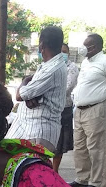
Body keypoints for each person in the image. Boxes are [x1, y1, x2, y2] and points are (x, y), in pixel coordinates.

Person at [6, 26, 67, 155]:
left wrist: (24, 84)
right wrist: (28, 90)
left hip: (37, 130)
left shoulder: (53, 69)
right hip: (27, 127)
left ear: (42, 45)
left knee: (21, 168)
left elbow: (20, 95)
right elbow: (30, 90)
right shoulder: (47, 65)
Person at [68, 33, 106, 187]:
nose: (83, 47)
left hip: (96, 109)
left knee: (95, 147)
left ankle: (95, 181)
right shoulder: (86, 63)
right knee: (79, 146)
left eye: (86, 44)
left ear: (95, 46)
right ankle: (82, 178)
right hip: (79, 109)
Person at [53, 43, 80, 173]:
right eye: (60, 51)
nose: (62, 53)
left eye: (65, 51)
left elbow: (67, 87)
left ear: (68, 54)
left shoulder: (72, 67)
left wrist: (49, 91)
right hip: (50, 110)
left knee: (59, 144)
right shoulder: (50, 65)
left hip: (64, 110)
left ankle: (54, 171)